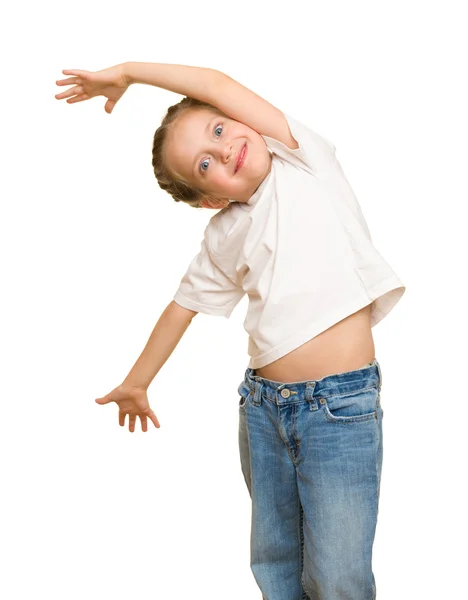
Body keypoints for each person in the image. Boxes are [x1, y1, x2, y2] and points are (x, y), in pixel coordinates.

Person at [55, 62, 406, 599]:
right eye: (204, 163)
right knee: (276, 562)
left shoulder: (302, 160)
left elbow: (215, 85)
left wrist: (131, 72)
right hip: (263, 410)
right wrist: (137, 381)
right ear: (210, 199)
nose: (223, 150)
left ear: (241, 119)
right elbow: (181, 308)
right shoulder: (226, 231)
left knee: (338, 575)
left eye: (219, 130)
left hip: (341, 411)